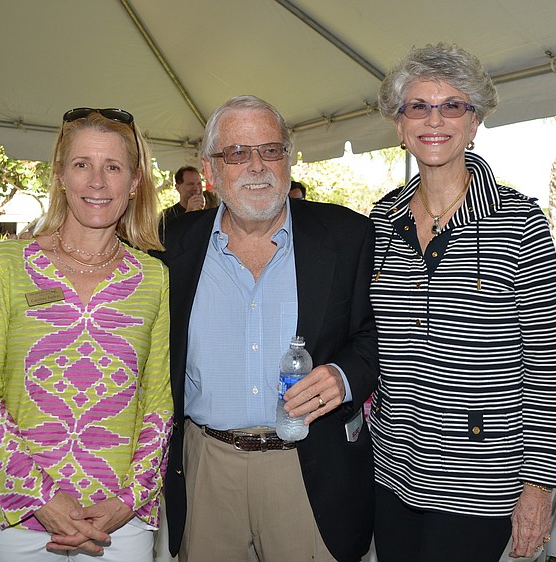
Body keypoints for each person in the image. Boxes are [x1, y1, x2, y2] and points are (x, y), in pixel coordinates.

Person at [157, 95, 378, 562]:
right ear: (210, 171)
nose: (257, 166)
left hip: (309, 469)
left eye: (271, 150)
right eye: (237, 153)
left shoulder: (347, 235)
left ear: (289, 160)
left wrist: (343, 376)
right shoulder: (171, 246)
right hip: (207, 467)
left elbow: (380, 333)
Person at [368, 43, 556, 561]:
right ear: (400, 123)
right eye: (418, 106)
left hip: (478, 483)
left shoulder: (520, 223)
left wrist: (539, 490)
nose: (435, 119)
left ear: (475, 121)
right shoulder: (378, 223)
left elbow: (544, 364)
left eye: (452, 105)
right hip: (390, 472)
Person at [0, 107, 173, 561]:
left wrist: (128, 500)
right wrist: (41, 498)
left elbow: (158, 401)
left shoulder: (154, 278)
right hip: (16, 518)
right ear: (59, 175)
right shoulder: (6, 265)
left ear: (134, 183)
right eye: (82, 165)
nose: (97, 182)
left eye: (112, 167)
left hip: (118, 522)